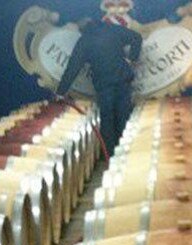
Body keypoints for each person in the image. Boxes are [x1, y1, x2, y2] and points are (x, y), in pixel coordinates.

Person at [55, 18, 142, 156]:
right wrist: (132, 59)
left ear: (83, 29)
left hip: (104, 85)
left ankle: (111, 157)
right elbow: (137, 38)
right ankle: (127, 157)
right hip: (123, 79)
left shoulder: (85, 41)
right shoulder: (113, 29)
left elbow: (72, 68)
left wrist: (60, 92)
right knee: (124, 116)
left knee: (107, 120)